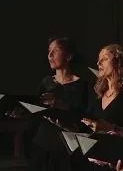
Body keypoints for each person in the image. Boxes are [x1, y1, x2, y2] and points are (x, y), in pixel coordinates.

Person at [26, 37, 90, 171]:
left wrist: (61, 105)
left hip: (68, 149)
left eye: (56, 50)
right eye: (49, 51)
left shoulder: (81, 85)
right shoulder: (46, 83)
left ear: (68, 56)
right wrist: (21, 112)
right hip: (42, 146)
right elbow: (34, 113)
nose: (50, 55)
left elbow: (84, 118)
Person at [81, 44, 123, 171]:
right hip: (93, 163)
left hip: (116, 165)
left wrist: (110, 128)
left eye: (104, 58)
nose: (98, 63)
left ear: (119, 62)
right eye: (98, 59)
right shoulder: (97, 95)